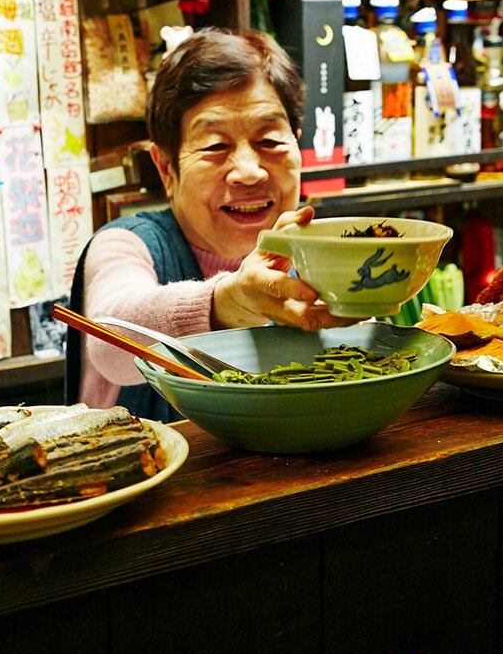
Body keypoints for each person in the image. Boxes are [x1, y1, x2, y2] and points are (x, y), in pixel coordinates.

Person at [66, 26, 352, 420]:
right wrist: (231, 300)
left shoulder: (318, 254)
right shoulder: (126, 244)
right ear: (166, 168)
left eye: (270, 141)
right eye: (216, 146)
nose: (249, 172)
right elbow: (108, 341)